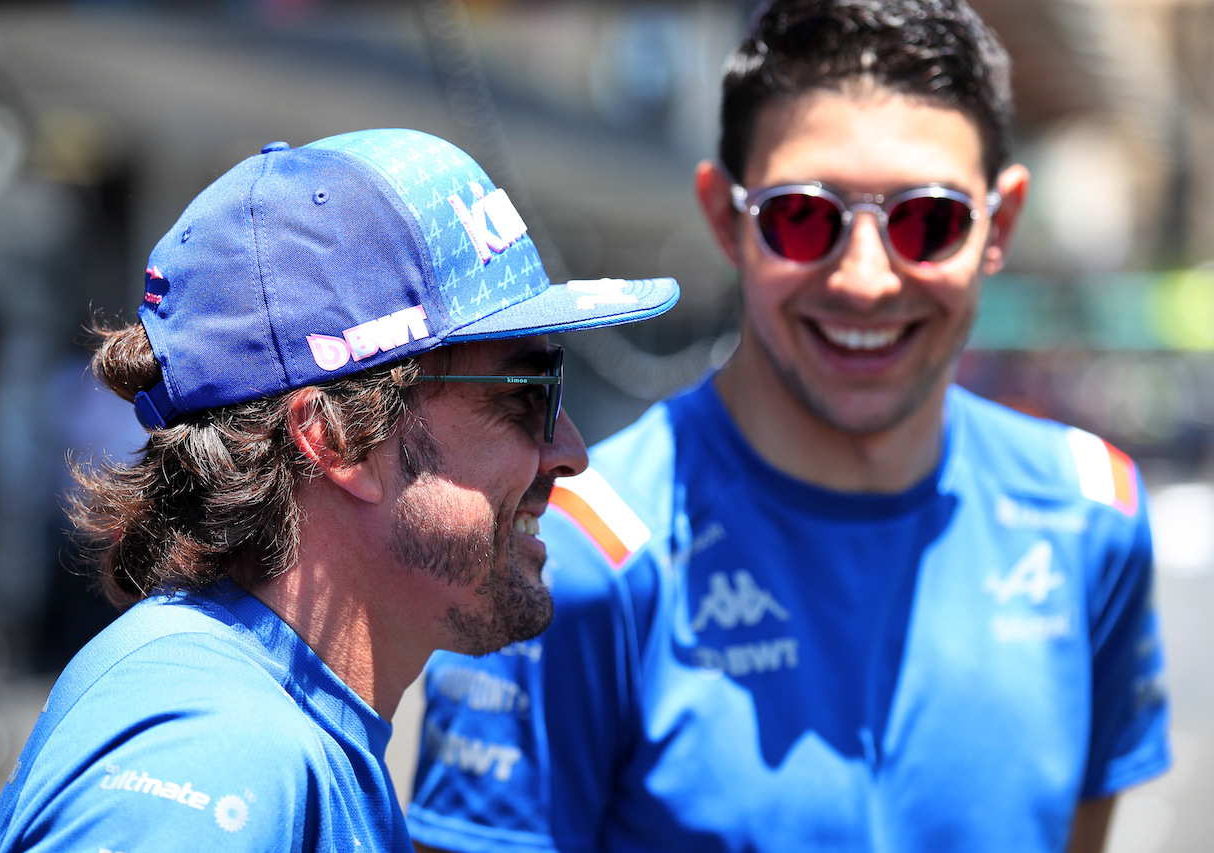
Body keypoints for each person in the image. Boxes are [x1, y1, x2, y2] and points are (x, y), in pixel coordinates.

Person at [407, 2, 1170, 852]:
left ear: (1003, 223)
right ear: (725, 218)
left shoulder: (1093, 513)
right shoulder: (569, 562)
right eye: (804, 217)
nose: (868, 279)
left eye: (929, 221)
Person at [0, 127, 678, 853]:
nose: (571, 452)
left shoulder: (279, 728)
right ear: (336, 438)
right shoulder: (219, 755)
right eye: (529, 393)